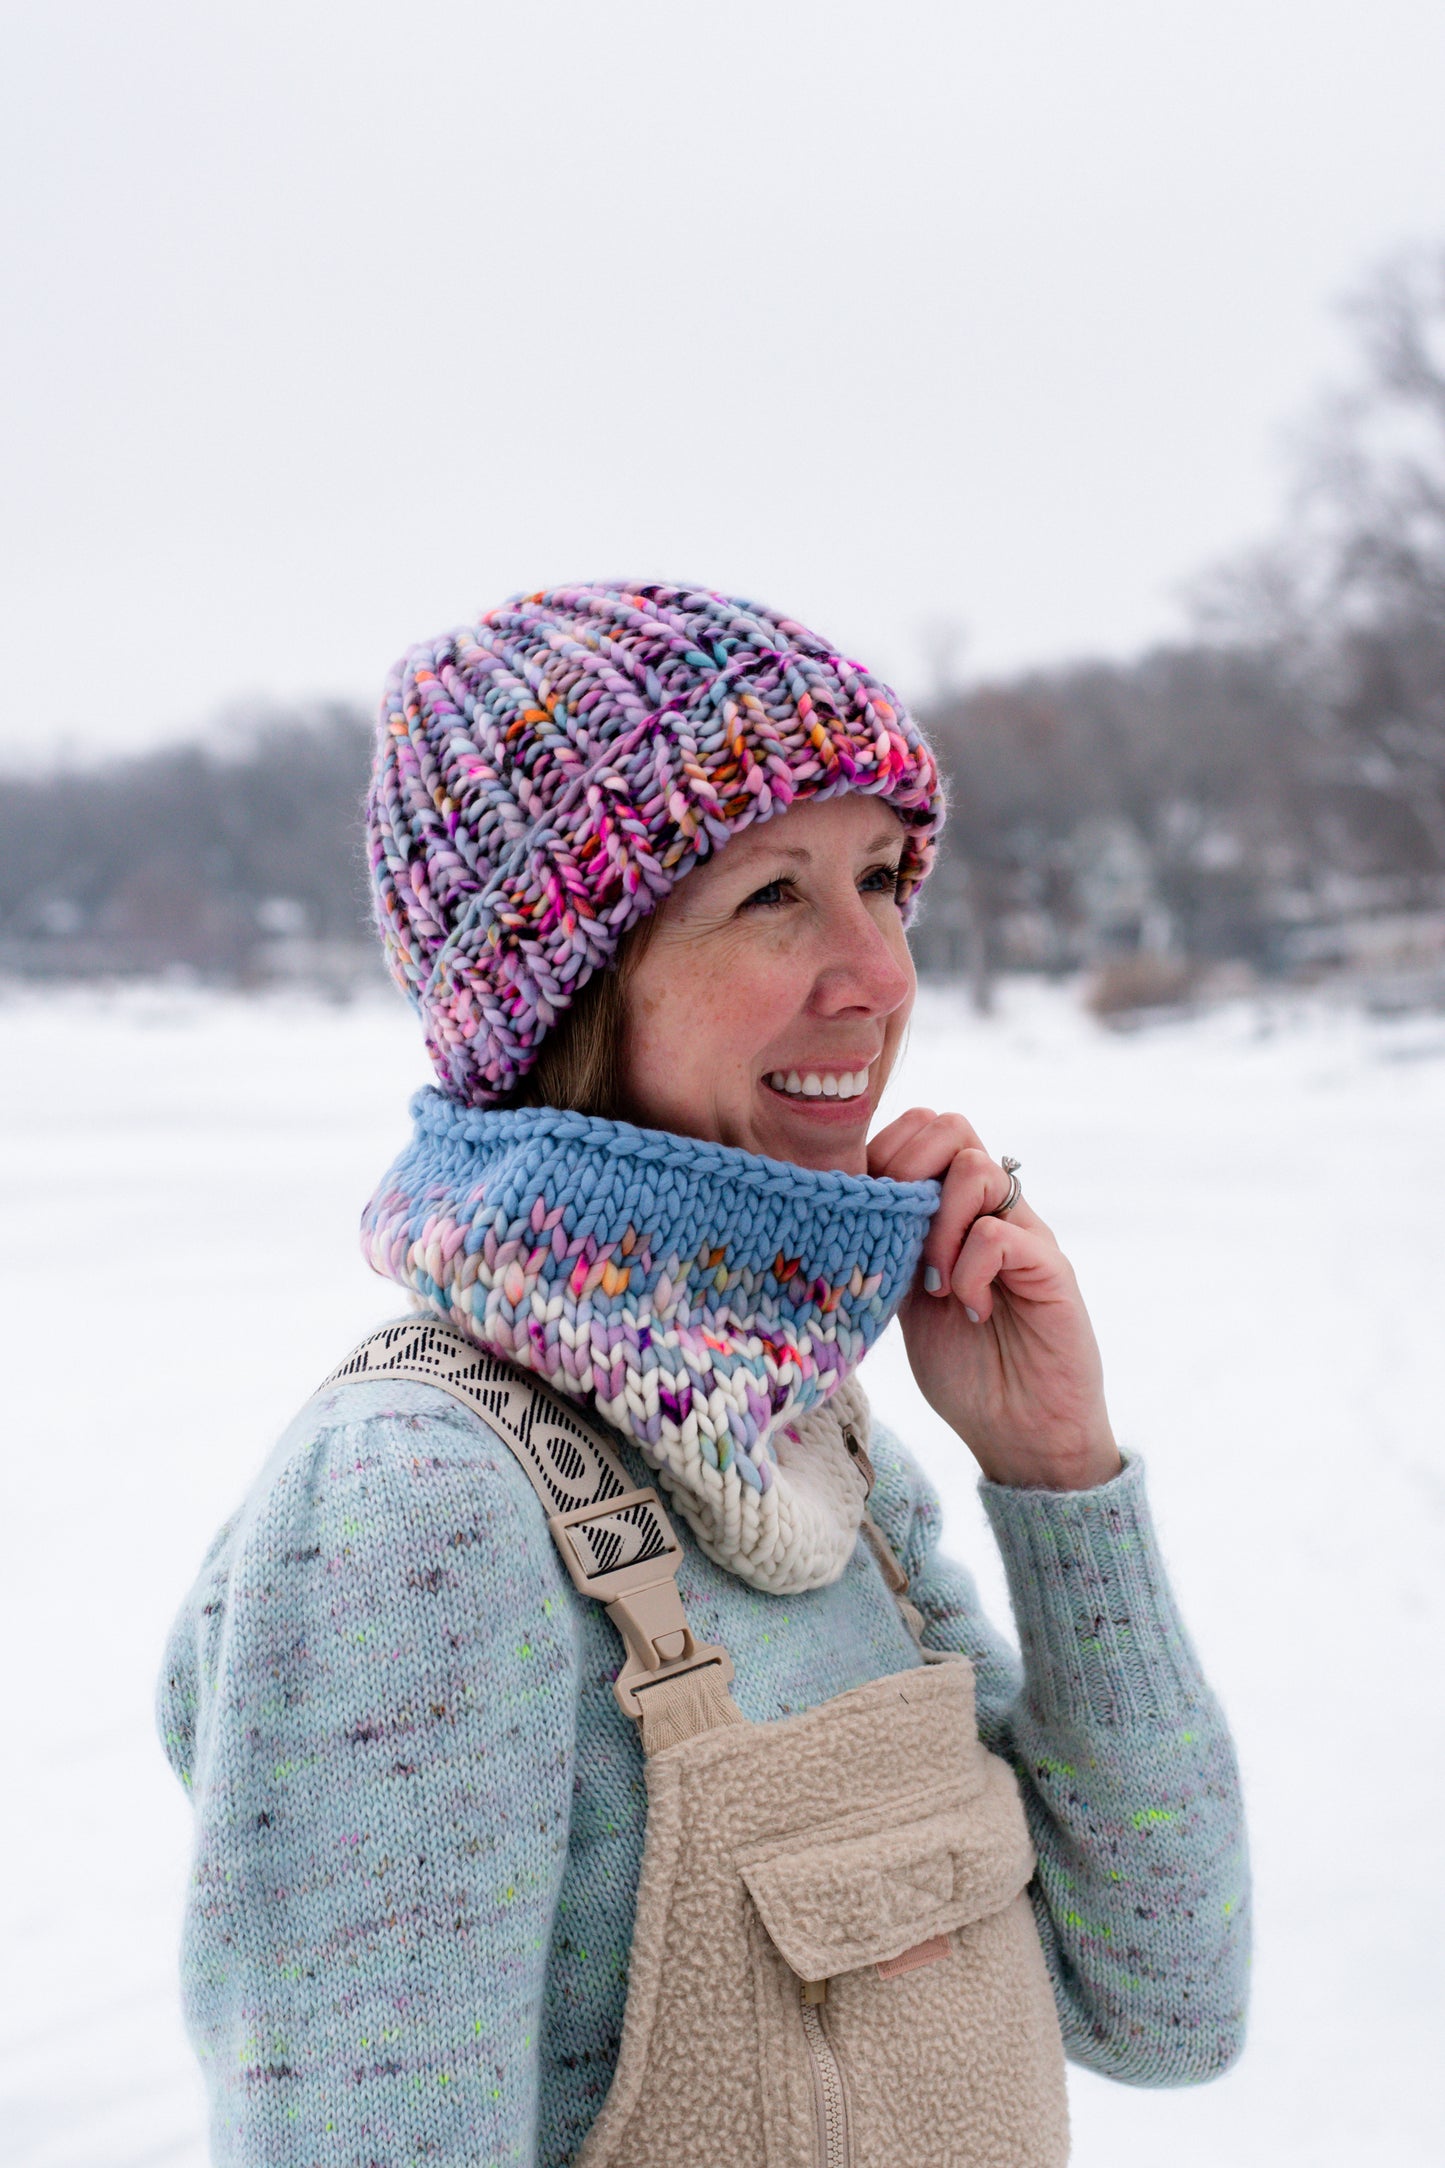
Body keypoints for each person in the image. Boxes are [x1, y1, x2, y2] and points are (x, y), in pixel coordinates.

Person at [159, 581, 1249, 2167]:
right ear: (568, 977)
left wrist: (1055, 1469)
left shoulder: (820, 1449)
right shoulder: (420, 1501)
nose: (875, 975)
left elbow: (1167, 2005)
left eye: (882, 880)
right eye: (771, 899)